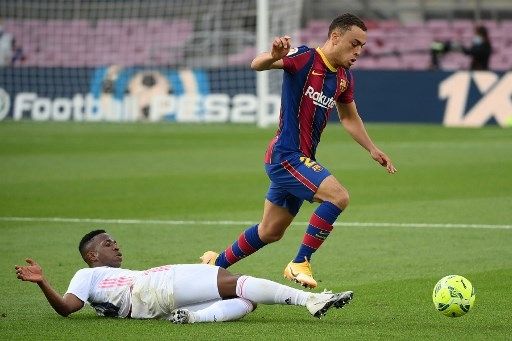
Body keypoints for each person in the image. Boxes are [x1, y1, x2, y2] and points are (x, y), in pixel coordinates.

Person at [200, 13, 396, 289]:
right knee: (338, 197)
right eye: (354, 44)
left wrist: (372, 149)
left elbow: (350, 118)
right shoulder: (304, 58)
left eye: (362, 47)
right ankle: (299, 262)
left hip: (301, 160)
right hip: (286, 156)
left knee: (270, 231)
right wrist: (272, 55)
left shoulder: (343, 78)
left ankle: (214, 265)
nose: (358, 52)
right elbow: (257, 64)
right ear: (335, 37)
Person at [15, 229, 353, 324]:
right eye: (107, 244)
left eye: (115, 241)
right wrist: (44, 282)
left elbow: (71, 308)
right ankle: (310, 299)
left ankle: (192, 318)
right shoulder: (87, 274)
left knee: (245, 301)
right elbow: (66, 308)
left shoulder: (101, 281)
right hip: (153, 284)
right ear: (92, 256)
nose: (115, 246)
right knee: (233, 281)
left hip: (152, 303)